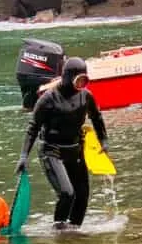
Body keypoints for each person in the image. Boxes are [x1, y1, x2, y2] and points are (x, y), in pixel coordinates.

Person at [15, 57, 108, 230]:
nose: (81, 85)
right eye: (78, 80)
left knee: (82, 195)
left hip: (75, 150)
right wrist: (23, 156)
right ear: (67, 77)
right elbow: (33, 127)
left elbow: (97, 117)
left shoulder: (86, 96)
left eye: (84, 80)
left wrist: (103, 140)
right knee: (67, 193)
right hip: (51, 151)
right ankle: (58, 231)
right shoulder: (48, 99)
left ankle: (74, 233)